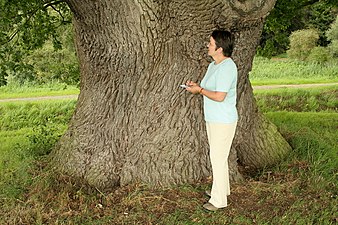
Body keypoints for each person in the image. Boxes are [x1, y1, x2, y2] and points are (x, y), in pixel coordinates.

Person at [185, 30, 238, 211]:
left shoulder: (227, 67)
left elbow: (219, 96)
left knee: (217, 158)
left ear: (220, 48)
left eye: (211, 43)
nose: (208, 45)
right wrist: (196, 87)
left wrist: (199, 91)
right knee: (218, 158)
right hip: (214, 118)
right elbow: (208, 88)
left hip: (223, 120)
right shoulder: (214, 65)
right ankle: (222, 191)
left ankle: (218, 201)